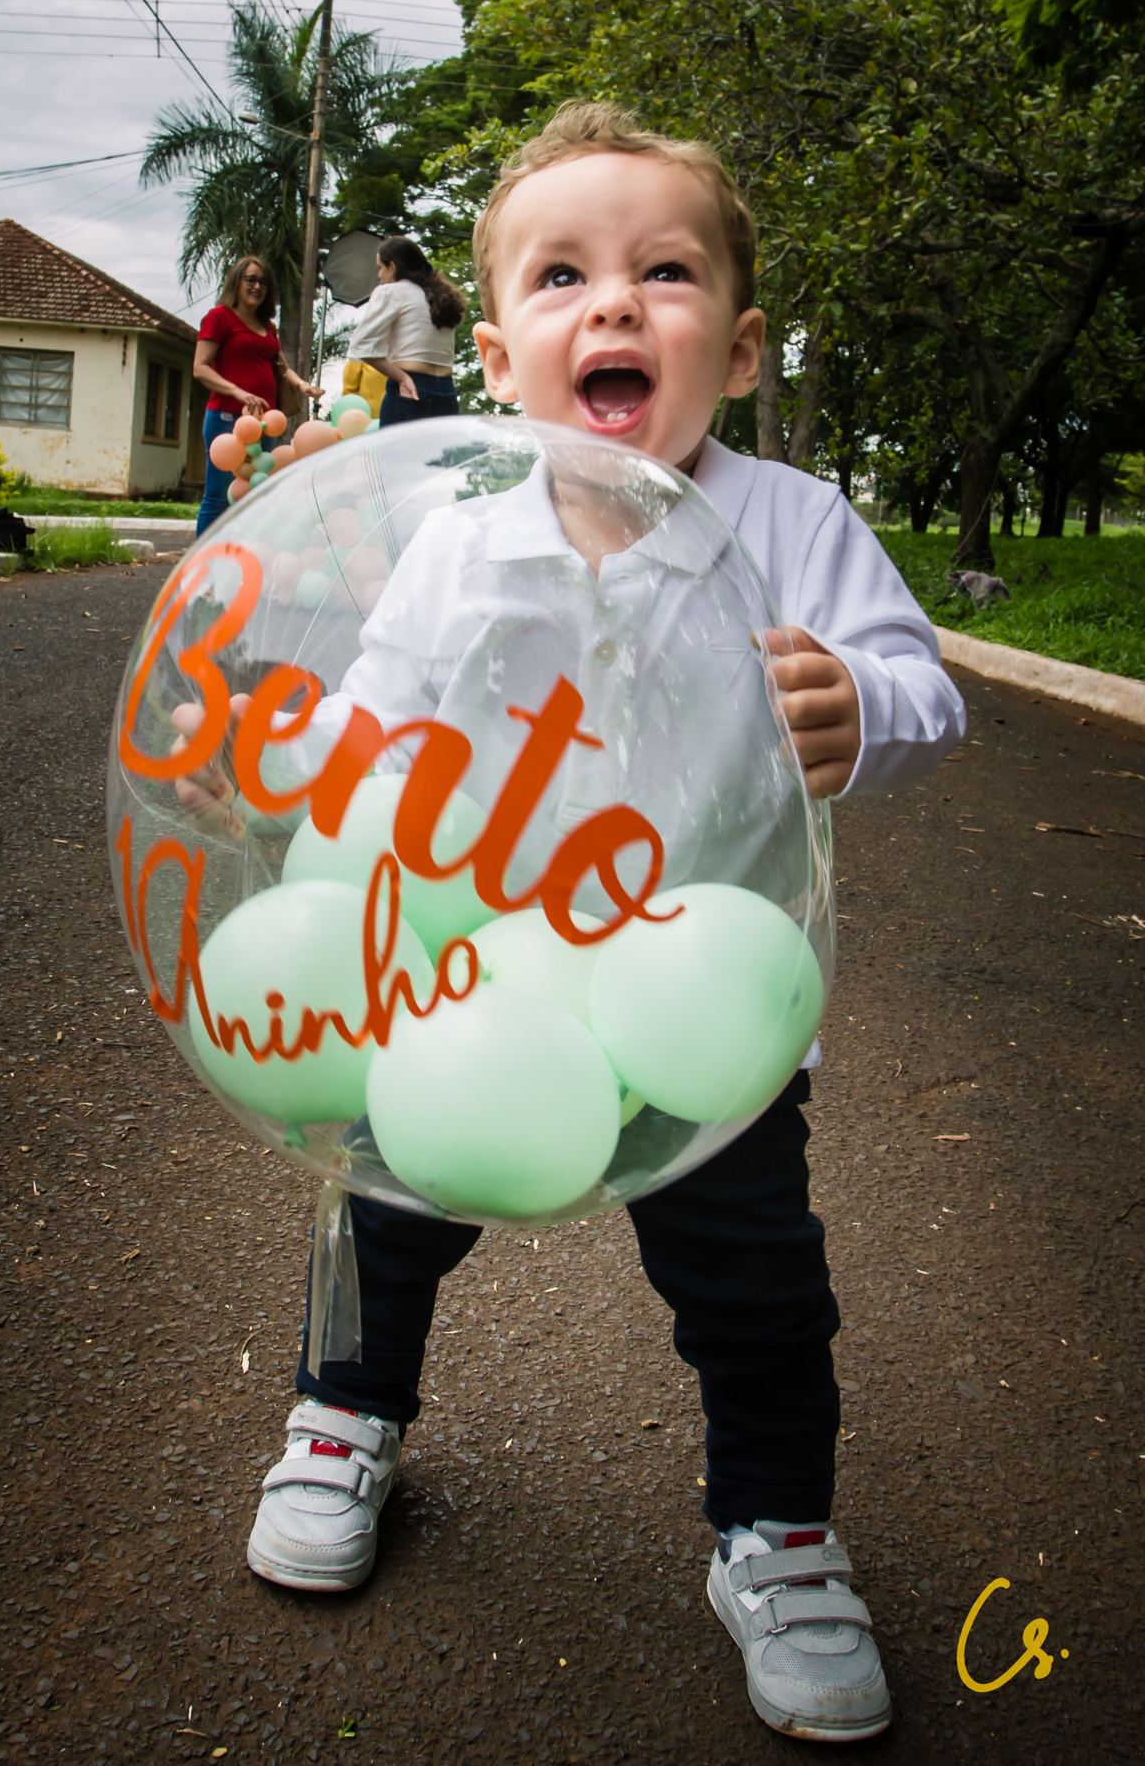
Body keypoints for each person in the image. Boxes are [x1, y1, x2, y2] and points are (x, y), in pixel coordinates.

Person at [218, 104, 965, 1743]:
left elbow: (926, 694)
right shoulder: (457, 536)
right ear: (496, 354)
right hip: (474, 982)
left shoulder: (794, 529)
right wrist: (308, 762)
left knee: (762, 1287)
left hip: (713, 1014)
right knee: (384, 1205)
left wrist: (860, 706)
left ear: (744, 347)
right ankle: (346, 1417)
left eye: (666, 273)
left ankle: (775, 1534)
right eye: (563, 276)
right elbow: (375, 733)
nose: (613, 307)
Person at [193, 255, 321, 535]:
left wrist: (302, 386)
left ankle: (244, 563)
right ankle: (205, 572)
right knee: (218, 496)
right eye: (250, 279)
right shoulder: (219, 317)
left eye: (263, 282)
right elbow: (200, 368)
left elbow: (281, 367)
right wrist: (240, 393)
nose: (257, 286)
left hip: (265, 422)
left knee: (257, 494)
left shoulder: (268, 326)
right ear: (236, 282)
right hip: (227, 418)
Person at [346, 236, 465, 426]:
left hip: (410, 390)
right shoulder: (442, 297)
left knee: (396, 456)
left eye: (380, 267)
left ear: (392, 267)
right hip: (447, 393)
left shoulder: (392, 291)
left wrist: (401, 378)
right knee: (438, 456)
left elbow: (361, 345)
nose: (379, 275)